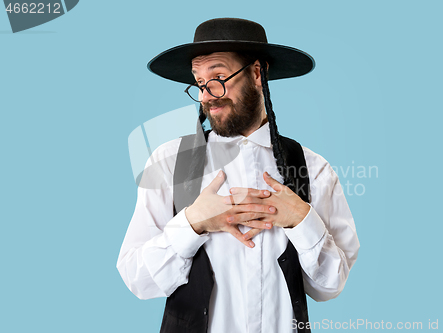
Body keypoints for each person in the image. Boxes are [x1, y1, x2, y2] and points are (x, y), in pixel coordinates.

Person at [117, 18, 360, 333]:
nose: (207, 95)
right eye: (199, 82)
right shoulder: (169, 161)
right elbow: (138, 280)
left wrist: (302, 219)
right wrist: (192, 224)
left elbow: (329, 287)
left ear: (257, 73)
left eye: (217, 77)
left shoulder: (313, 168)